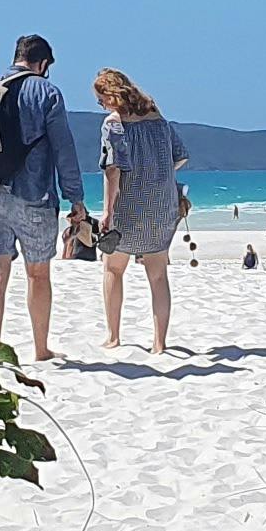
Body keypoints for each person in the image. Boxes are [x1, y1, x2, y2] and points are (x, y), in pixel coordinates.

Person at [0, 35, 82, 362]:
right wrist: (76, 198)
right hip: (33, 196)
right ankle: (41, 350)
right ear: (43, 64)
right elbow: (63, 149)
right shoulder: (47, 92)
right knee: (38, 274)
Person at [91, 67, 188, 351]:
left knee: (113, 269)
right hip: (161, 204)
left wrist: (107, 211)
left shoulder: (114, 124)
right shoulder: (158, 120)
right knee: (158, 275)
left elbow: (113, 170)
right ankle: (160, 343)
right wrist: (158, 173)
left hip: (129, 205)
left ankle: (114, 336)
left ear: (111, 95)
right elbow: (180, 157)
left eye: (101, 99)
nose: (101, 105)